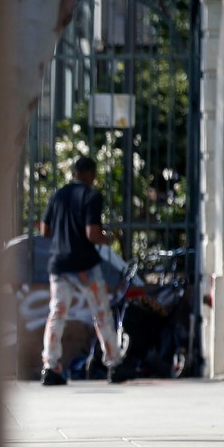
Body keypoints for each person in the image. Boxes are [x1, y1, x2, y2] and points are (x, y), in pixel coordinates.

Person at [39, 156, 132, 386]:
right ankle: (114, 366)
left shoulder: (57, 195)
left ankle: (50, 368)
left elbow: (44, 231)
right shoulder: (92, 196)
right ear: (90, 174)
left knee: (57, 315)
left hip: (59, 265)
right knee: (101, 315)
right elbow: (92, 234)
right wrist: (107, 239)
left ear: (74, 173)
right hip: (85, 267)